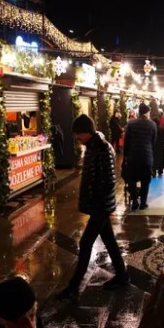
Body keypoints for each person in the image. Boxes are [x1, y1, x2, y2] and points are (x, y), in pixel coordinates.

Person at [56, 114, 129, 300]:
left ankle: (73, 288)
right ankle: (122, 277)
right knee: (110, 243)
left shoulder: (101, 148)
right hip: (99, 205)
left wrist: (97, 204)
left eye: (78, 134)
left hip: (100, 206)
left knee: (85, 243)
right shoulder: (93, 146)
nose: (77, 138)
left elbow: (106, 181)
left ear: (87, 132)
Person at [123, 103, 156, 210]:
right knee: (145, 180)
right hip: (146, 157)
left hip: (133, 156)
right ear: (147, 112)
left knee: (132, 180)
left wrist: (125, 156)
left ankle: (134, 202)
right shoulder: (152, 124)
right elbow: (153, 141)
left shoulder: (131, 124)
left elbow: (126, 141)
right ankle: (143, 203)